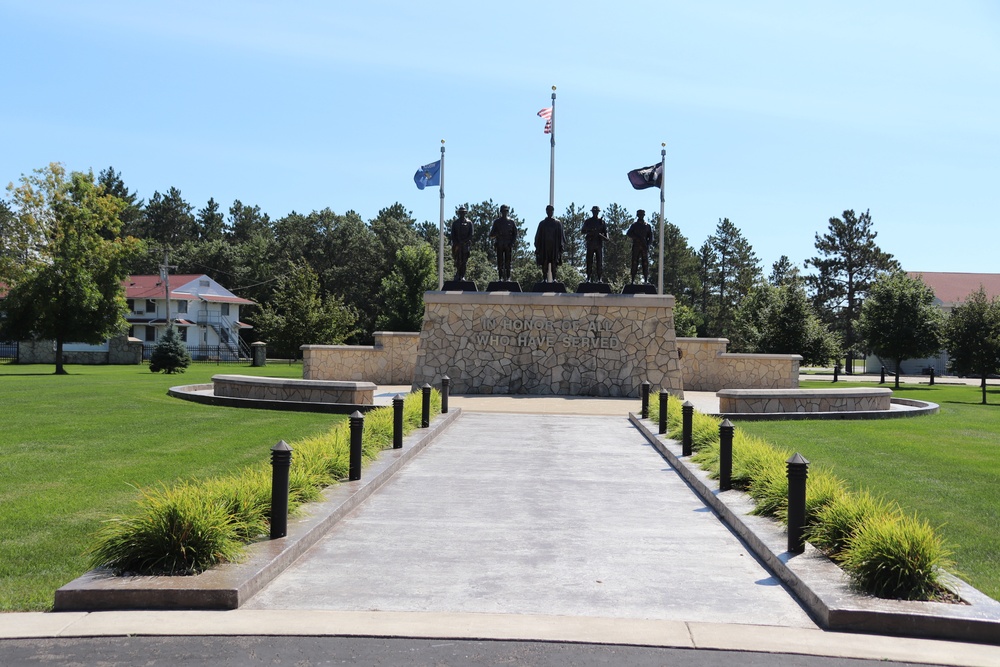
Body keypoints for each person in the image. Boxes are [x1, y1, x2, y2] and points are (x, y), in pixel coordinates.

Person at [533, 204, 564, 282]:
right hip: (545, 246)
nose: (550, 212)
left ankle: (554, 278)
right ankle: (544, 278)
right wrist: (537, 246)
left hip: (554, 247)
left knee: (554, 263)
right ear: (546, 211)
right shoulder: (542, 223)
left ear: (553, 211)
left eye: (551, 210)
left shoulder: (557, 223)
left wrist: (561, 246)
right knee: (544, 263)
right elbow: (538, 236)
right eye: (548, 210)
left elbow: (561, 236)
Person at [580, 205, 609, 283]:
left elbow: (606, 236)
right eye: (594, 211)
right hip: (590, 244)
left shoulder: (602, 222)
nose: (595, 213)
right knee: (589, 262)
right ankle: (588, 278)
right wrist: (590, 231)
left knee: (599, 262)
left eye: (596, 212)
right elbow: (582, 231)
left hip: (599, 244)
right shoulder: (588, 221)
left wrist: (602, 236)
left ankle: (599, 278)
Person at [489, 204, 517, 282]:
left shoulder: (511, 222)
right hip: (500, 244)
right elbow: (491, 234)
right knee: (500, 262)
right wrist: (497, 234)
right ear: (501, 211)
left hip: (508, 244)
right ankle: (500, 277)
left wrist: (512, 243)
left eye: (506, 211)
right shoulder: (497, 222)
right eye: (503, 211)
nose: (505, 212)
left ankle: (508, 277)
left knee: (508, 262)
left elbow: (515, 233)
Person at [626, 209, 654, 284]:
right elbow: (628, 233)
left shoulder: (647, 226)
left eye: (642, 215)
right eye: (639, 215)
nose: (641, 216)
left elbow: (651, 237)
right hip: (636, 246)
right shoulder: (634, 225)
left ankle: (645, 280)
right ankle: (632, 280)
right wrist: (637, 238)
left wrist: (648, 244)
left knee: (645, 264)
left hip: (644, 247)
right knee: (634, 263)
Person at [450, 206, 473, 282]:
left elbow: (471, 235)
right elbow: (453, 235)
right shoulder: (455, 223)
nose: (462, 213)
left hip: (465, 245)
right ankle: (458, 274)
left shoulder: (469, 223)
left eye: (463, 212)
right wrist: (457, 243)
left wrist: (464, 241)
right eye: (461, 212)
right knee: (457, 260)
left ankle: (462, 276)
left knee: (464, 261)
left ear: (465, 213)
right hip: (457, 245)